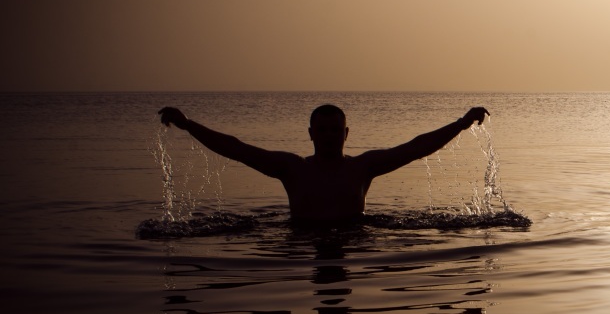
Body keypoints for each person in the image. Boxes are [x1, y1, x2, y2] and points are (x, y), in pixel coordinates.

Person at [158, 104, 489, 223]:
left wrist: (460, 124)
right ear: (311, 134)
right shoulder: (293, 168)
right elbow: (236, 148)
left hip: (354, 237)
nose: (329, 136)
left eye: (335, 130)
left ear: (346, 134)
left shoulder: (363, 167)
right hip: (300, 239)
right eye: (323, 130)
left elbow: (415, 147)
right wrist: (189, 125)